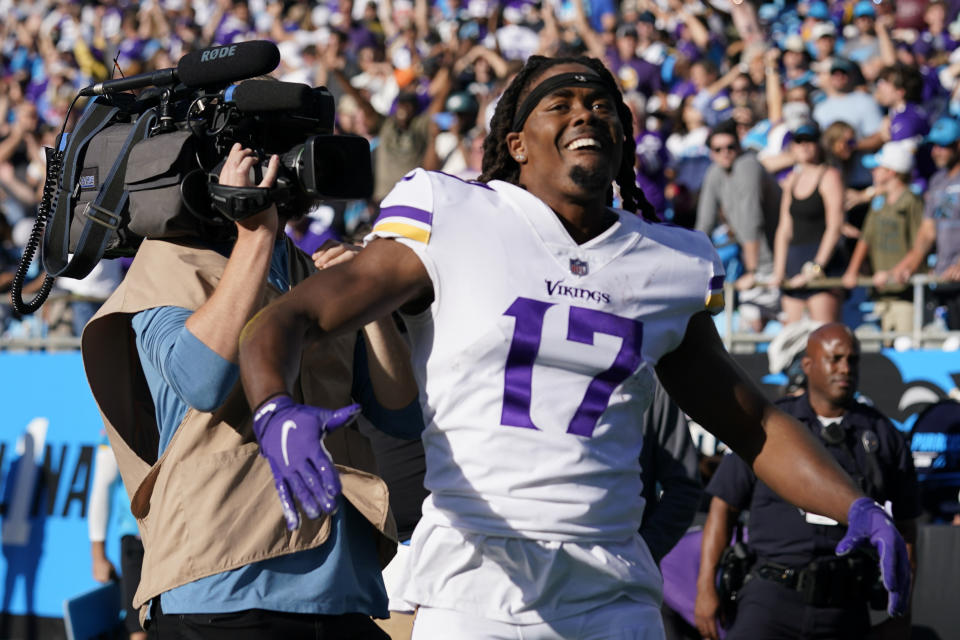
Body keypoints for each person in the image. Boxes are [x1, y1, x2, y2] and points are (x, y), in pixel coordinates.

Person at [238, 55, 910, 639]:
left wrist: (853, 504)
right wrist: (272, 405)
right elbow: (292, 317)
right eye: (559, 104)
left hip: (610, 592)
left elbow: (754, 423)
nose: (586, 113)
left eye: (601, 105)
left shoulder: (667, 262)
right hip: (473, 580)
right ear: (517, 143)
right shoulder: (452, 213)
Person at [80, 144, 423, 638]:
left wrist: (369, 299)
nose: (281, 166)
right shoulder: (167, 262)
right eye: (263, 151)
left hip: (341, 585)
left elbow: (401, 415)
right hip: (223, 582)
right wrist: (255, 234)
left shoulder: (311, 268)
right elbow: (204, 381)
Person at [694, 323, 920, 640]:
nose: (845, 368)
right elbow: (723, 506)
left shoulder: (884, 437)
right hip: (771, 597)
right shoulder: (770, 427)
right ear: (808, 365)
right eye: (835, 358)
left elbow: (907, 529)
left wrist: (902, 612)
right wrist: (705, 588)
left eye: (852, 360)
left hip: (845, 602)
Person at [696, 119, 781, 331]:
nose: (725, 152)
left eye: (730, 147)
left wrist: (753, 271)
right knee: (752, 326)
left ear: (739, 146)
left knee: (758, 326)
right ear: (711, 153)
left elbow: (751, 220)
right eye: (718, 149)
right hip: (756, 262)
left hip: (774, 263)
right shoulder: (715, 172)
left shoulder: (748, 165)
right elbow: (704, 225)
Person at [842, 140, 924, 335]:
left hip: (905, 293)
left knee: (906, 343)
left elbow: (920, 245)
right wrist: (852, 271)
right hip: (880, 292)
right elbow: (866, 238)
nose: (873, 172)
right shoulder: (879, 201)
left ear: (892, 172)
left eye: (878, 168)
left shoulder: (911, 202)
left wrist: (893, 273)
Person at [770, 121, 845, 324]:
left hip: (822, 264)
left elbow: (834, 227)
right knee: (792, 339)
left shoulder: (830, 175)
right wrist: (778, 271)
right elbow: (784, 229)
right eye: (799, 141)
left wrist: (816, 267)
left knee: (823, 334)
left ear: (819, 145)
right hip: (794, 262)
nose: (804, 146)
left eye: (810, 141)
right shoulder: (792, 179)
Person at [891, 117, 960, 328]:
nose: (936, 151)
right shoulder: (937, 181)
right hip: (944, 278)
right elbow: (927, 232)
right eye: (934, 146)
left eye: (943, 146)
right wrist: (906, 265)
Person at [88, 439, 148, 640]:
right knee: (139, 627)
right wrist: (98, 555)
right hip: (138, 539)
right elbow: (103, 485)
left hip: (176, 535)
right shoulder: (119, 414)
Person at [639, 378, 702, 565]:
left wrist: (642, 552)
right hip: (548, 569)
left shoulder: (648, 383)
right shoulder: (547, 378)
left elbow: (685, 487)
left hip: (621, 581)